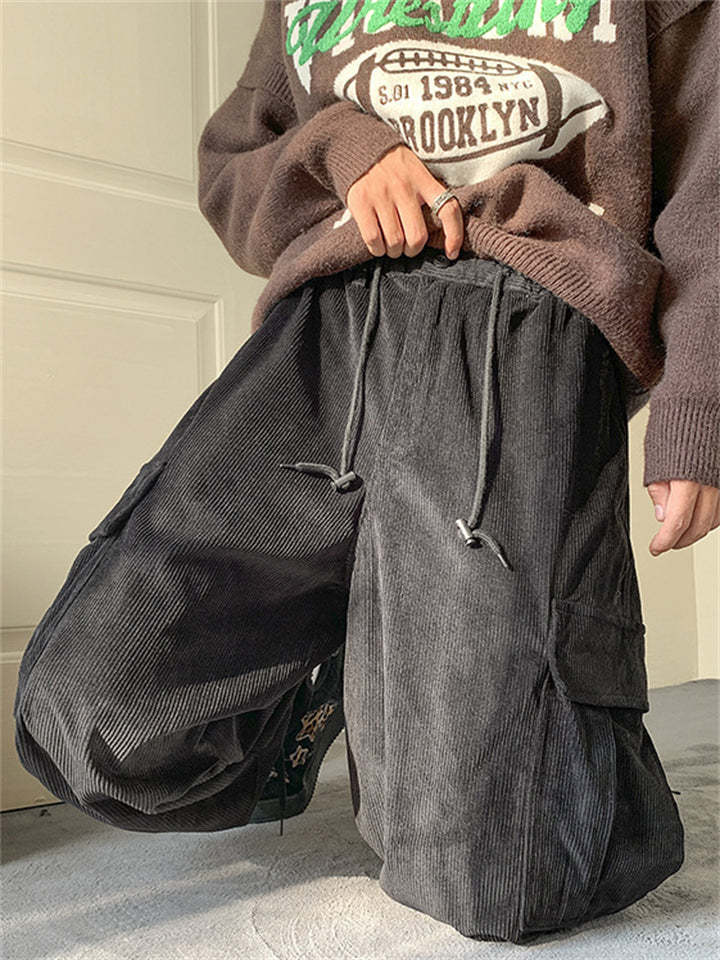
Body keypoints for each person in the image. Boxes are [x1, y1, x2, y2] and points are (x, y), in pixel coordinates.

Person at [14, 0, 719, 945]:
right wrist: (340, 149)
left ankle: (438, 657)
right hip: (325, 327)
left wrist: (699, 409)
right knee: (89, 719)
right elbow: (231, 168)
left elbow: (711, 185)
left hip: (523, 324)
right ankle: (350, 657)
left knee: (505, 873)